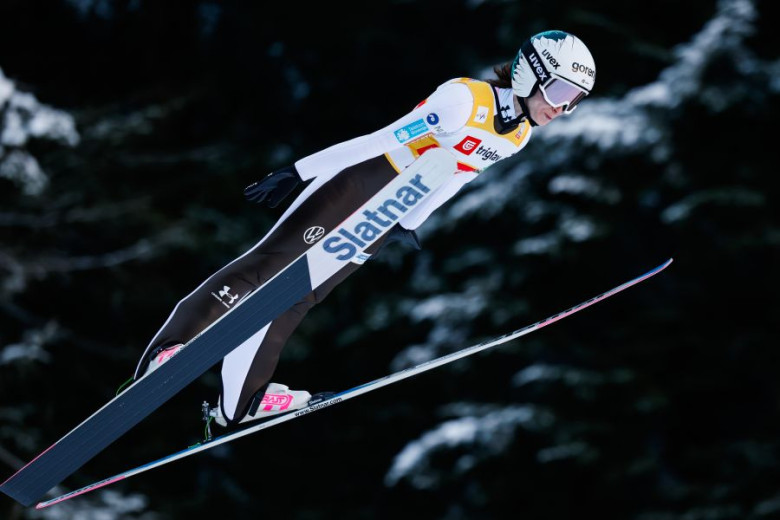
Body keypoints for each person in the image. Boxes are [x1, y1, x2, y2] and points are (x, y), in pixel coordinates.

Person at [132, 30, 597, 428]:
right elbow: (380, 140)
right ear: (529, 72)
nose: (562, 108)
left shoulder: (518, 135)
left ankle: (240, 403)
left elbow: (455, 176)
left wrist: (408, 224)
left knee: (298, 297)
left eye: (574, 101)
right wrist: (300, 170)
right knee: (268, 269)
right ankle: (169, 350)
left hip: (391, 208)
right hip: (362, 181)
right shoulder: (464, 100)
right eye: (559, 93)